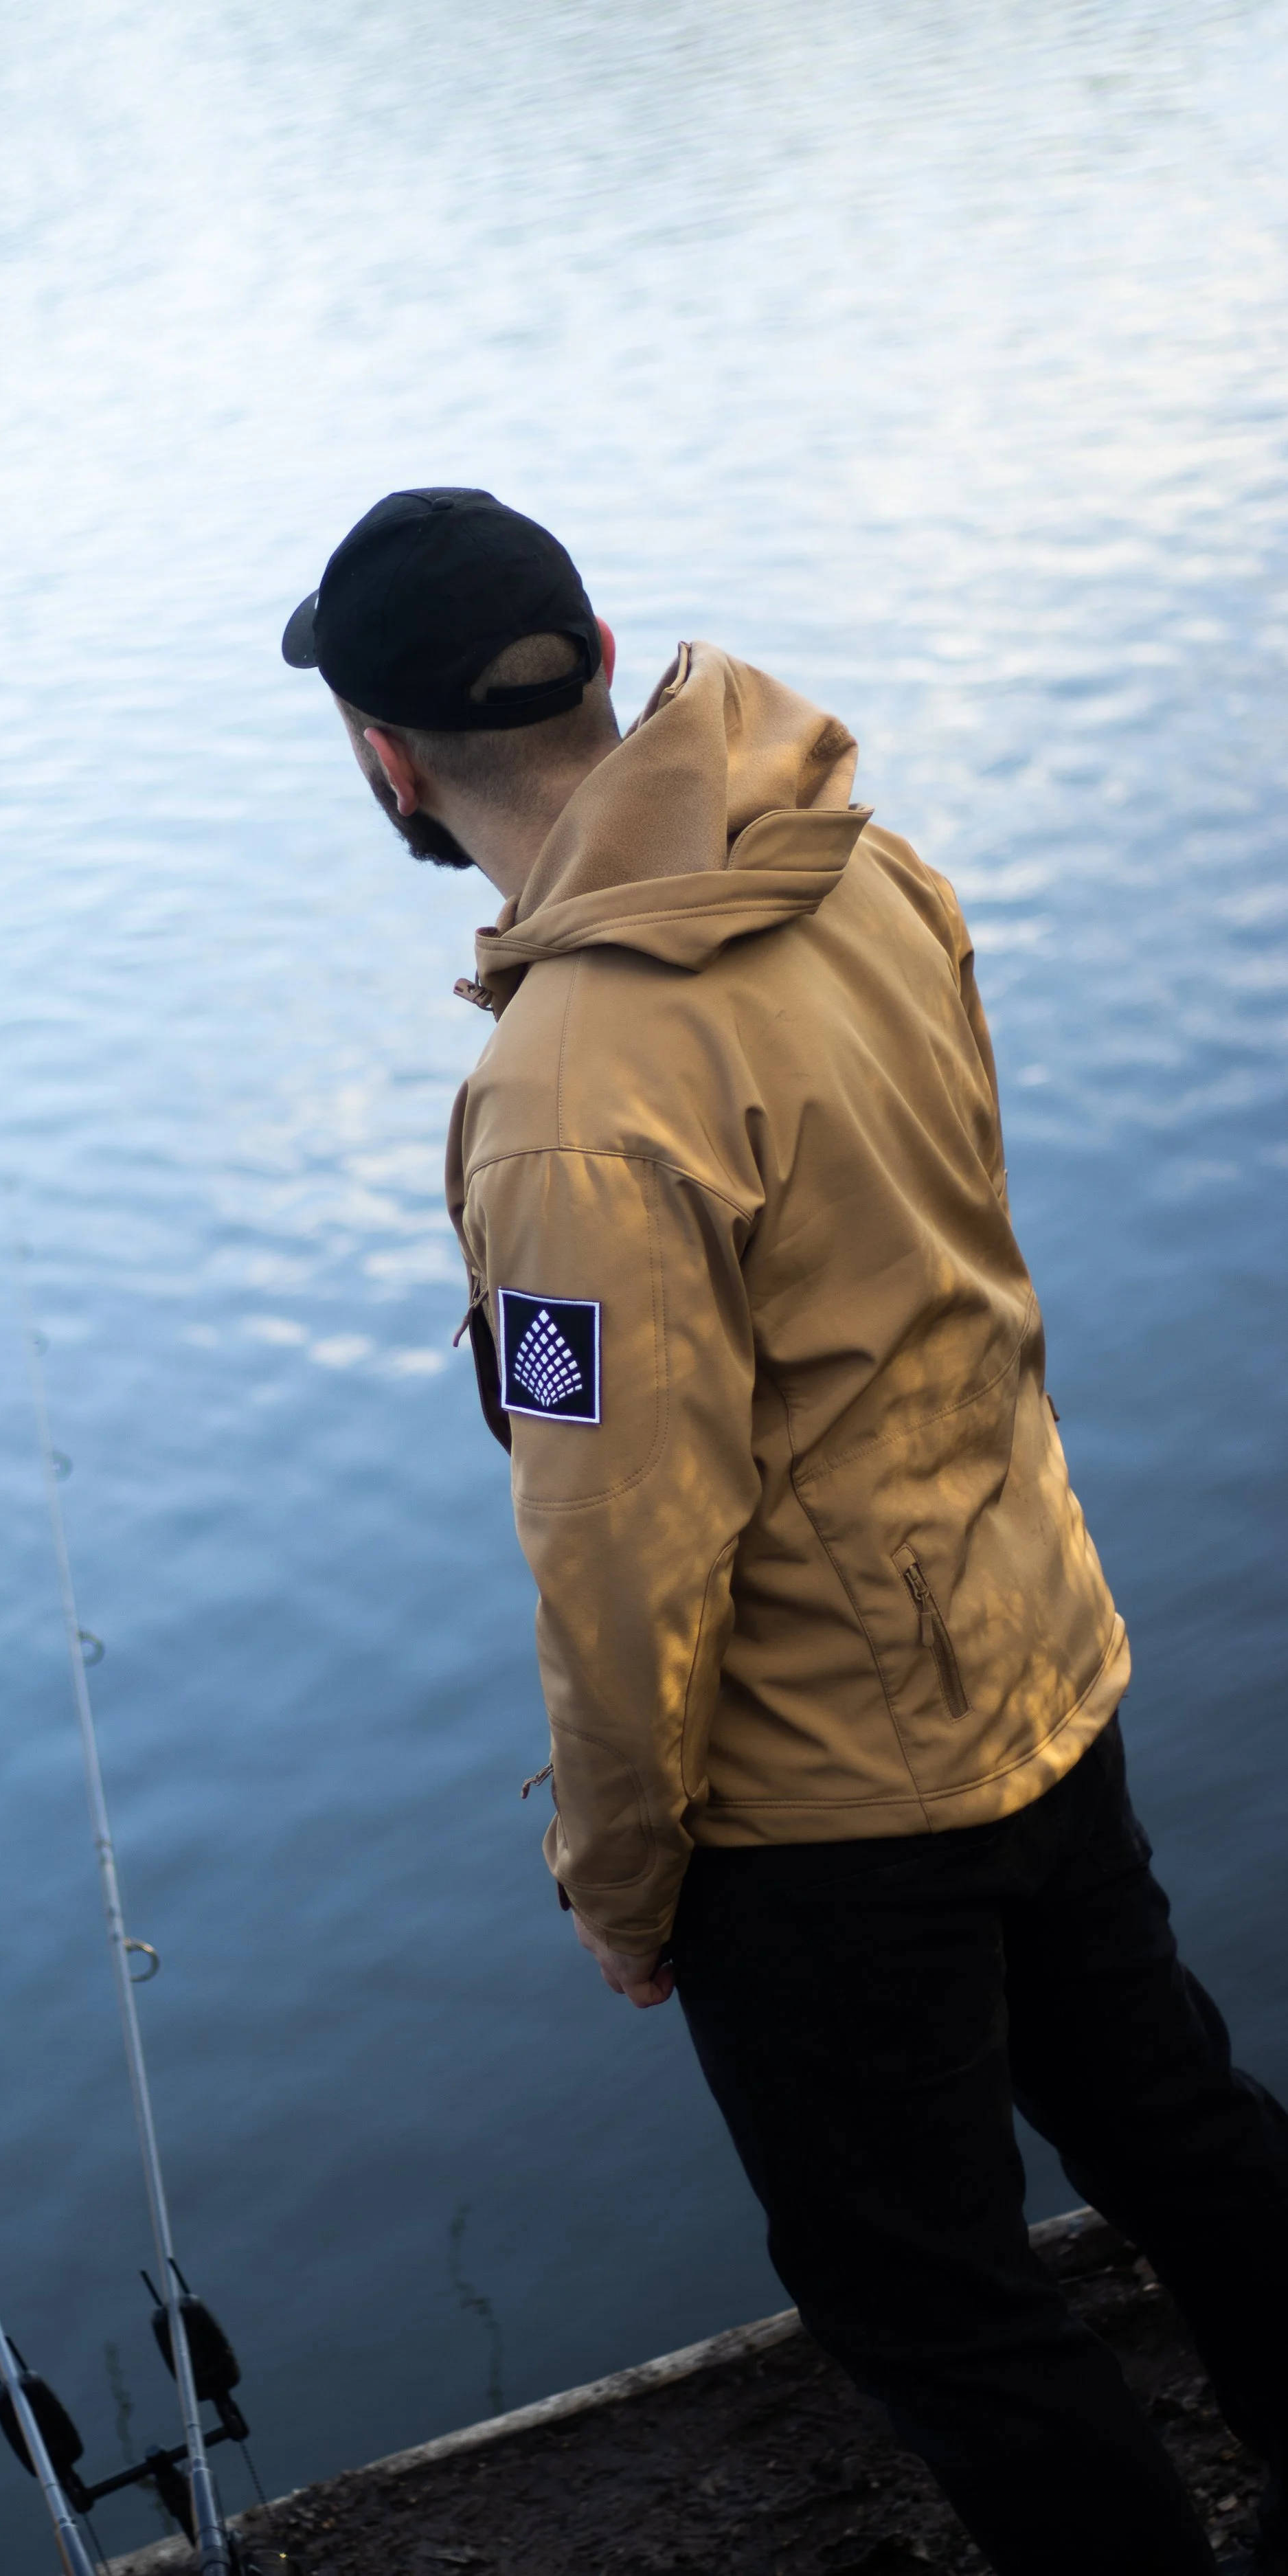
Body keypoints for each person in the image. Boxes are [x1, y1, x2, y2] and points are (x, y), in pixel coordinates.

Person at [280, 488, 1288, 2576]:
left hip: (828, 1809)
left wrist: (622, 1867)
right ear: (596, 642)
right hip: (1037, 1652)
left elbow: (618, 1545)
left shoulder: (569, 1096)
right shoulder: (859, 872)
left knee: (923, 2289)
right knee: (1174, 2125)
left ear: (384, 755)